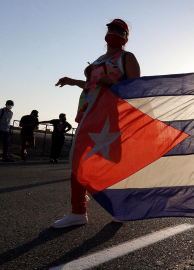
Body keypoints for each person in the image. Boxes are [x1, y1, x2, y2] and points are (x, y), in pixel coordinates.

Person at [52, 19, 141, 228]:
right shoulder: (99, 59)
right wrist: (73, 81)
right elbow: (92, 85)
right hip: (88, 115)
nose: (114, 32)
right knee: (78, 160)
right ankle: (78, 211)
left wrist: (116, 83)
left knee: (113, 162)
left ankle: (121, 208)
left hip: (111, 117)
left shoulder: (127, 57)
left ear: (126, 37)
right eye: (111, 28)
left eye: (120, 30)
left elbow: (137, 88)